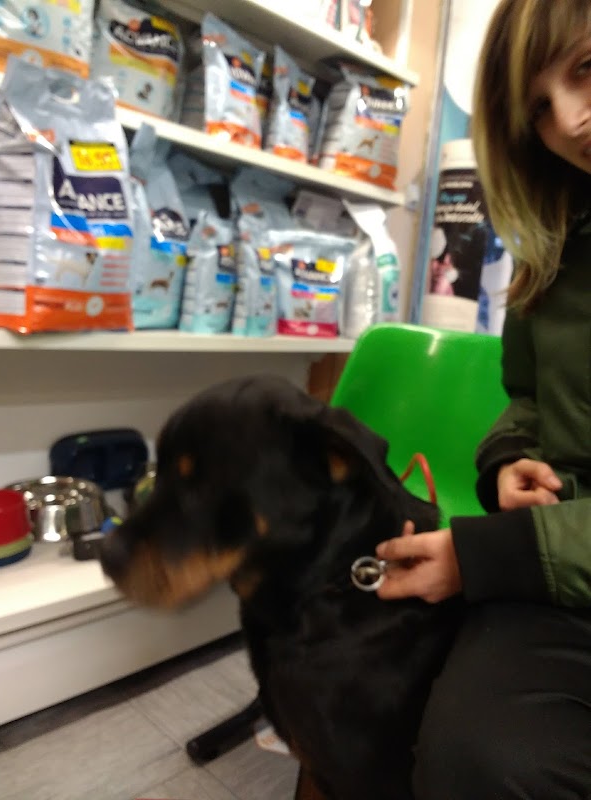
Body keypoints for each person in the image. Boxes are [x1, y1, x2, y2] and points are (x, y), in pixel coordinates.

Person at [375, 1, 591, 797]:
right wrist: (508, 459)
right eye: (537, 109)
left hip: (547, 557)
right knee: (478, 757)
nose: (568, 122)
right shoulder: (556, 255)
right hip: (561, 575)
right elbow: (527, 397)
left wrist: (484, 557)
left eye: (587, 69)